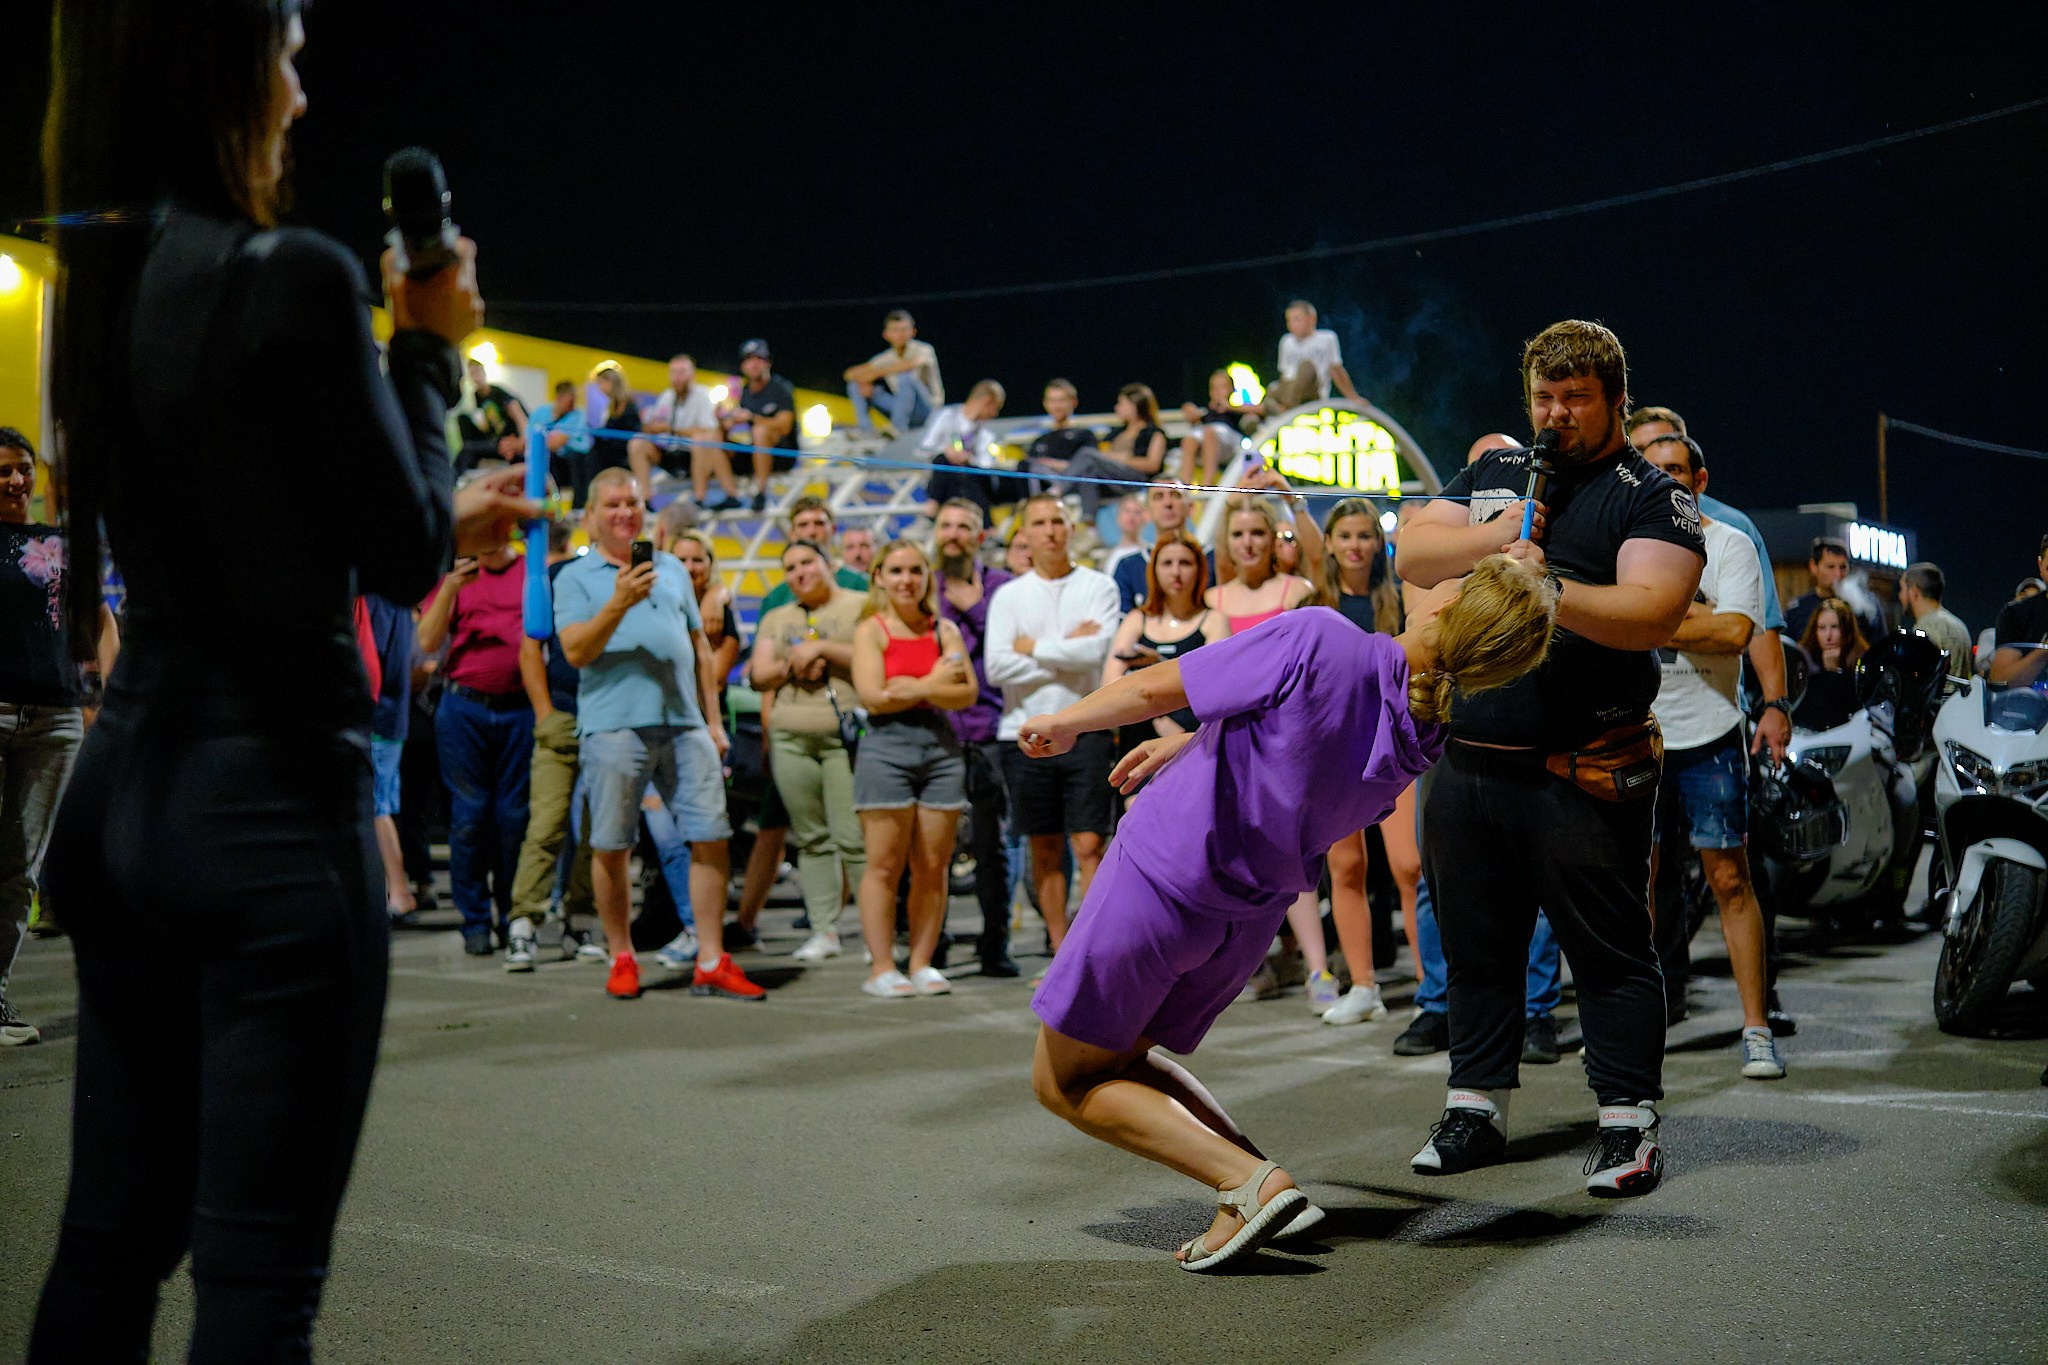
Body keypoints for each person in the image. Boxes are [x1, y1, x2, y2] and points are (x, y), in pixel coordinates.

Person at [32, 3, 538, 1351]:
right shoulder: (290, 276)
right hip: (261, 807)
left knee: (107, 1242)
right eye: (290, 57)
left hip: (125, 792)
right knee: (255, 1283)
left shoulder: (100, 280)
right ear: (221, 69)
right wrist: (427, 346)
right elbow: (401, 540)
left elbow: (242, 520)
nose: (303, 96)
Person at [1021, 554, 1556, 1270]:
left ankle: (1246, 1180)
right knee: (1119, 1057)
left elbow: (1156, 682)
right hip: (1244, 918)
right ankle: (1258, 1183)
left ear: (1448, 605)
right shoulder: (1424, 728)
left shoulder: (1320, 637)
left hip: (1167, 875)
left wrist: (1067, 721)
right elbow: (1304, 759)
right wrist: (1192, 744)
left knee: (1061, 1080)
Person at [1397, 319, 1704, 1197]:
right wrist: (1497, 540)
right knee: (1475, 947)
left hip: (1583, 765)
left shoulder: (1651, 493)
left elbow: (1650, 612)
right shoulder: (1499, 470)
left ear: (1614, 399)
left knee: (1607, 950)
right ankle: (1475, 1106)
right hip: (1471, 759)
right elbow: (1413, 550)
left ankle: (1627, 1119)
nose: (1556, 415)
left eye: (1575, 398)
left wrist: (1548, 589)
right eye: (1544, 397)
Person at [554, 469, 759, 1002]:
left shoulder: (668, 566)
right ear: (592, 516)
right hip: (613, 728)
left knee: (711, 835)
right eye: (614, 504)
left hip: (686, 723)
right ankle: (622, 955)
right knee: (612, 844)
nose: (626, 513)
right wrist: (619, 601)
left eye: (634, 503)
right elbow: (576, 651)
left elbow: (700, 647)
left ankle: (711, 959)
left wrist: (712, 721)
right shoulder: (575, 578)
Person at [1637, 433, 1786, 1080]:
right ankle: (1636, 1026)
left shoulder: (1728, 542)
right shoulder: (1628, 543)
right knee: (1634, 886)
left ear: (1698, 478)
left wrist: (1645, 616)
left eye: (1677, 470)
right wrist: (1687, 615)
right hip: (1639, 733)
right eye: (1654, 470)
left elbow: (1734, 633)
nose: (1666, 480)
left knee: (1730, 879)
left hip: (1710, 734)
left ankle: (1756, 1027)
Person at [1, 429, 117, 1047]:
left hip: (54, 719)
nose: (17, 482)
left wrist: (105, 700)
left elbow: (99, 619)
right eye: (3, 472)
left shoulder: (60, 544)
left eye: (23, 470)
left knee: (21, 866)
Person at [985, 494, 1123, 963]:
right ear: (1024, 532)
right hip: (1023, 732)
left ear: (1071, 528)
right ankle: (1063, 952)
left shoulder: (1099, 587)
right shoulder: (1009, 595)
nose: (1049, 531)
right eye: (1039, 523)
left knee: (1089, 843)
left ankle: (1094, 948)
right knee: (1043, 846)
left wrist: (1031, 648)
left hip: (1087, 727)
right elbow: (997, 667)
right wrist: (1067, 648)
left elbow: (1098, 654)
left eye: (1057, 522)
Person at [851, 541, 977, 997]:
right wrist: (934, 684)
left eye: (915, 570)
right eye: (897, 570)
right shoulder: (872, 629)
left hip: (939, 749)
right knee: (884, 865)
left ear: (927, 576)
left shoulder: (943, 630)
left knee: (932, 864)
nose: (907, 580)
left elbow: (966, 694)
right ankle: (881, 966)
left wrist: (914, 687)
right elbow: (872, 696)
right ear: (879, 577)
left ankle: (922, 962)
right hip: (885, 747)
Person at [1309, 497, 1411, 1026]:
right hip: (1335, 749)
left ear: (1379, 542)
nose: (1354, 545)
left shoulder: (1397, 598)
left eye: (1364, 536)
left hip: (1397, 745)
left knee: (1409, 867)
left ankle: (1429, 986)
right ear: (1328, 542)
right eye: (1345, 535)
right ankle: (1364, 985)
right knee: (1345, 866)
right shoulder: (1313, 601)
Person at [417, 524, 534, 957]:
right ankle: (475, 920)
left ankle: (512, 913)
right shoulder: (456, 578)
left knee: (513, 818)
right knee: (469, 817)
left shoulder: (529, 571)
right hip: (464, 707)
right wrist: (450, 588)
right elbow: (426, 642)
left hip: (519, 707)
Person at [750, 540, 867, 962]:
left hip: (844, 737)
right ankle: (824, 930)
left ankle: (876, 934)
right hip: (789, 736)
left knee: (853, 839)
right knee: (812, 838)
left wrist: (823, 649)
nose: (799, 572)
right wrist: (792, 665)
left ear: (828, 563)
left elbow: (876, 657)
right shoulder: (778, 617)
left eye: (807, 563)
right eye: (790, 567)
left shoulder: (860, 605)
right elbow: (758, 674)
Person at [505, 518, 601, 971]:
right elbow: (530, 648)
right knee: (546, 825)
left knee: (599, 831)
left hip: (606, 718)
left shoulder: (618, 580)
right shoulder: (556, 580)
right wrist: (545, 713)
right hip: (563, 716)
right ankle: (524, 923)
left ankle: (580, 919)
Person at [933, 498, 1021, 976]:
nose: (953, 535)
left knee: (992, 846)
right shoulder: (922, 587)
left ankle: (995, 944)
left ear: (980, 536)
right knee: (933, 849)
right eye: (945, 525)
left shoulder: (1003, 588)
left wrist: (979, 610)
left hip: (990, 729)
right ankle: (932, 943)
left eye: (963, 526)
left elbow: (1015, 646)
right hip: (938, 731)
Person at [1101, 532, 1228, 744]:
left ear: (1200, 569)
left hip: (1193, 740)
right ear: (1154, 571)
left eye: (1185, 563)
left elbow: (1211, 685)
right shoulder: (1137, 619)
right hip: (1138, 738)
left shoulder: (1214, 620)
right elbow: (1110, 685)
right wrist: (1158, 715)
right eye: (1167, 563)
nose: (1176, 572)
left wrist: (1155, 666)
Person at [363, 594, 416, 924]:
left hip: (378, 717)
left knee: (376, 807)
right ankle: (397, 889)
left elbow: (371, 658)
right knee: (383, 806)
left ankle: (398, 891)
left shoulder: (373, 600)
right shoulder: (396, 599)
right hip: (393, 717)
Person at [1049, 383, 1169, 522]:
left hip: (1135, 480)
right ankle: (1089, 523)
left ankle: (1056, 491)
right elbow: (1102, 456)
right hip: (1112, 479)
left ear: (1134, 406)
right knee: (1088, 471)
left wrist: (1121, 458)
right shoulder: (1116, 433)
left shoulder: (1153, 433)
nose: (1117, 408)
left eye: (1121, 403)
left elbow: (1152, 464)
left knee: (1087, 453)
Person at [634, 353, 723, 508]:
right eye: (673, 372)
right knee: (637, 443)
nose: (677, 377)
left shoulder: (702, 395)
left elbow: (708, 430)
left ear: (692, 374)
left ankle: (699, 499)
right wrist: (648, 425)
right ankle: (645, 499)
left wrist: (672, 429)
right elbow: (655, 421)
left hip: (694, 455)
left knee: (700, 441)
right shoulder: (667, 396)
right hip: (670, 453)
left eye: (682, 372)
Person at [721, 338, 799, 512]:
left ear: (768, 363)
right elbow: (730, 424)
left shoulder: (780, 387)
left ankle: (761, 492)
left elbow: (785, 426)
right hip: (756, 454)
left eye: (758, 359)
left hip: (783, 454)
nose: (753, 364)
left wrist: (751, 418)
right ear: (742, 365)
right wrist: (722, 419)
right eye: (748, 359)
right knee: (713, 436)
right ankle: (730, 494)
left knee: (760, 431)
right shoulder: (744, 392)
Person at [1113, 478, 1211, 612]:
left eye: (1175, 495)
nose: (1168, 503)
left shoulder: (1213, 558)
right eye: (1158, 497)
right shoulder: (1128, 567)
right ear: (1146, 513)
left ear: (1191, 508)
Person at [760, 496, 871, 612]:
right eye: (803, 525)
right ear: (792, 534)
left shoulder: (861, 584)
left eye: (819, 524)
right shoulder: (776, 598)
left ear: (833, 529)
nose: (811, 532)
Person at [919, 380, 1009, 518]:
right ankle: (987, 525)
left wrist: (969, 459)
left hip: (972, 479)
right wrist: (946, 451)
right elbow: (923, 449)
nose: (995, 414)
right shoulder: (946, 417)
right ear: (987, 401)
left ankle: (933, 506)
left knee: (972, 476)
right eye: (995, 408)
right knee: (943, 459)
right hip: (944, 480)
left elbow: (987, 463)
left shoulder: (987, 433)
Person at [845, 309, 943, 433]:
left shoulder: (924, 349)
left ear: (913, 332)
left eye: (904, 329)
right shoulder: (887, 357)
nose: (900, 334)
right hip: (902, 408)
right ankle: (865, 431)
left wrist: (873, 374)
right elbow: (849, 374)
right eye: (895, 330)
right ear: (886, 334)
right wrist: (863, 381)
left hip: (927, 410)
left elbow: (910, 365)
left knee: (905, 377)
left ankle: (897, 429)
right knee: (854, 386)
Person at [1785, 535, 1886, 647]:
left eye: (1843, 567)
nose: (1838, 575)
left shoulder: (1865, 607)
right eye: (1831, 567)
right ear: (1814, 566)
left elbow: (1879, 648)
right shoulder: (1798, 610)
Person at [1261, 299, 1362, 412]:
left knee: (1307, 367)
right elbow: (1284, 374)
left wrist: (1353, 398)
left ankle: (1284, 408)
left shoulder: (1327, 339)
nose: (1292, 325)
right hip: (1289, 389)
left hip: (1313, 392)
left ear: (1312, 319)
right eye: (1289, 321)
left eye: (1297, 319)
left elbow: (1336, 370)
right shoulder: (1286, 341)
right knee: (1272, 388)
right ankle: (1274, 409)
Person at [1793, 598, 1869, 731]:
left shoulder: (1863, 661)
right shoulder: (1804, 661)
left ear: (1847, 630)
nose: (1828, 636)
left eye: (1835, 627)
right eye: (1822, 628)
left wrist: (1835, 673)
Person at [1023, 378, 1101, 497]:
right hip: (1040, 491)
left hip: (1074, 492)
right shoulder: (1040, 441)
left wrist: (1054, 464)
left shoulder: (1084, 435)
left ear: (1073, 402)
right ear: (1045, 403)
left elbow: (1090, 466)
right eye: (1052, 401)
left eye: (1061, 400)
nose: (1057, 406)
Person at [1179, 368, 1258, 486]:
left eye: (1222, 387)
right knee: (1189, 440)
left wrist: (1229, 407)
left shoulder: (1236, 410)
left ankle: (1207, 486)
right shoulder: (1208, 413)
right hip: (1208, 435)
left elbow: (1261, 410)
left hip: (1230, 439)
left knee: (1209, 432)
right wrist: (1190, 411)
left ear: (1231, 389)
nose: (1218, 392)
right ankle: (1184, 488)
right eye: (1214, 388)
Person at [1895, 562, 1971, 681]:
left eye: (1902, 589)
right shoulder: (1959, 625)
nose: (1899, 595)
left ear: (1914, 592)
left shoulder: (1925, 628)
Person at [451, 356, 527, 474]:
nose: (475, 377)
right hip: (495, 439)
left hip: (511, 439)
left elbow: (520, 417)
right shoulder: (477, 397)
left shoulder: (498, 392)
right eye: (472, 374)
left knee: (468, 450)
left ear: (483, 372)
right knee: (463, 419)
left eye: (477, 372)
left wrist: (520, 443)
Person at [581, 360, 642, 505]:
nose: (600, 388)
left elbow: (630, 432)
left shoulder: (628, 405)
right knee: (581, 456)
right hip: (611, 449)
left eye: (601, 383)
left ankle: (587, 501)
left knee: (591, 457)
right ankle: (584, 501)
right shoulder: (612, 406)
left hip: (622, 452)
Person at [1990, 538, 2048, 686]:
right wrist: (2043, 651)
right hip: (2032, 706)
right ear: (2040, 566)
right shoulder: (2017, 614)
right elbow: (2000, 682)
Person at [530, 378, 593, 506]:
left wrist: (545, 442)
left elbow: (556, 443)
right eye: (570, 400)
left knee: (577, 461)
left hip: (575, 459)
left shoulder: (578, 414)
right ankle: (547, 504)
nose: (572, 405)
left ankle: (578, 507)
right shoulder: (541, 412)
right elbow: (529, 437)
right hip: (553, 458)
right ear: (559, 397)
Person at [1099, 494, 1150, 583]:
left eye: (1137, 512)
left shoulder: (1151, 553)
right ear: (1118, 517)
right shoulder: (1109, 557)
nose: (1131, 517)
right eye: (1127, 511)